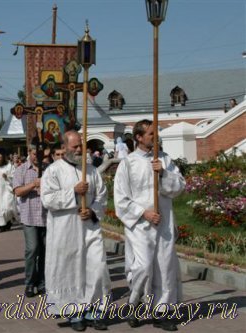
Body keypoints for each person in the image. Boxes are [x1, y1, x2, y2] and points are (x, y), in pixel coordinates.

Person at [114, 119, 185, 331]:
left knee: (164, 266)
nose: (156, 137)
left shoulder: (164, 159)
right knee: (142, 267)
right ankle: (135, 303)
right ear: (139, 137)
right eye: (151, 134)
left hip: (162, 224)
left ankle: (161, 311)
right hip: (139, 226)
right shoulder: (128, 163)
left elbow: (179, 186)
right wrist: (143, 213)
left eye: (156, 133)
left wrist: (163, 173)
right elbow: (121, 198)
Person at [41, 131, 110, 331]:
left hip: (89, 226)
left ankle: (94, 310)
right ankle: (74, 313)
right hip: (66, 228)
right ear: (64, 148)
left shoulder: (91, 170)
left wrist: (92, 210)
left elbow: (102, 196)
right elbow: (48, 199)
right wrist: (73, 192)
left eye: (81, 145)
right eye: (75, 147)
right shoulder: (53, 171)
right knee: (70, 269)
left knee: (96, 267)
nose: (79, 150)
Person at [12, 145, 47, 298]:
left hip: (47, 217)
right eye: (34, 154)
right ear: (29, 153)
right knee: (32, 250)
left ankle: (42, 282)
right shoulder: (21, 170)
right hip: (30, 216)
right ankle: (29, 282)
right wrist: (34, 184)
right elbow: (18, 191)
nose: (37, 157)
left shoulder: (49, 168)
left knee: (46, 251)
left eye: (40, 154)